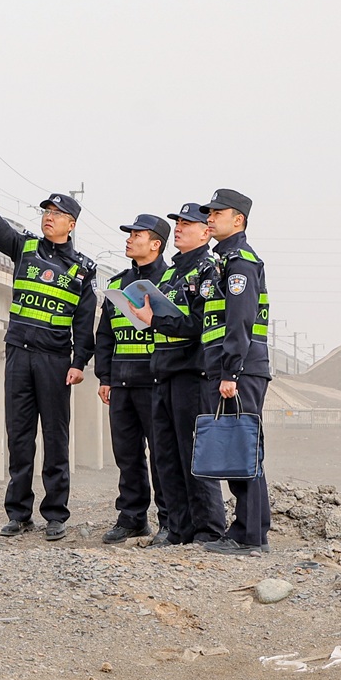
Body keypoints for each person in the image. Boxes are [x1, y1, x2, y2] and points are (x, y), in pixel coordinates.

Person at [0, 188, 98, 541]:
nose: (48, 217)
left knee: (55, 436)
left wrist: (79, 362)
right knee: (19, 436)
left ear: (71, 224)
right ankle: (19, 514)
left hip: (54, 360)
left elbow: (84, 320)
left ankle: (55, 515)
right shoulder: (27, 249)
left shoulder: (81, 270)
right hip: (19, 354)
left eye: (56, 213)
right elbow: (1, 233)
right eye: (46, 211)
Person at [146, 203, 226, 546]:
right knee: (166, 455)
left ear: (205, 231)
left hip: (191, 374)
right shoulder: (170, 273)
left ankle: (208, 529)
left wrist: (155, 320)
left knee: (194, 454)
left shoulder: (208, 270)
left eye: (186, 223)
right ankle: (179, 529)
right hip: (163, 372)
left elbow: (198, 323)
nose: (178, 228)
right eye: (176, 223)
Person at [199, 188, 273, 554]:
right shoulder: (224, 262)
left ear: (238, 220)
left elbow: (240, 321)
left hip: (239, 372)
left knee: (244, 451)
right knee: (239, 450)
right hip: (230, 370)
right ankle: (250, 529)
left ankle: (250, 536)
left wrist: (230, 372)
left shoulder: (240, 262)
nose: (210, 217)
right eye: (209, 212)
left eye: (217, 212)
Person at [93, 213, 169, 543]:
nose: (129, 238)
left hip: (157, 383)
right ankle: (132, 517)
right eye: (129, 233)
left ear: (155, 244)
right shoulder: (118, 285)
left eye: (137, 235)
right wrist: (105, 377)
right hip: (122, 383)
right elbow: (105, 335)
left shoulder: (170, 283)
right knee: (127, 455)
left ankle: (170, 518)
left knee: (163, 454)